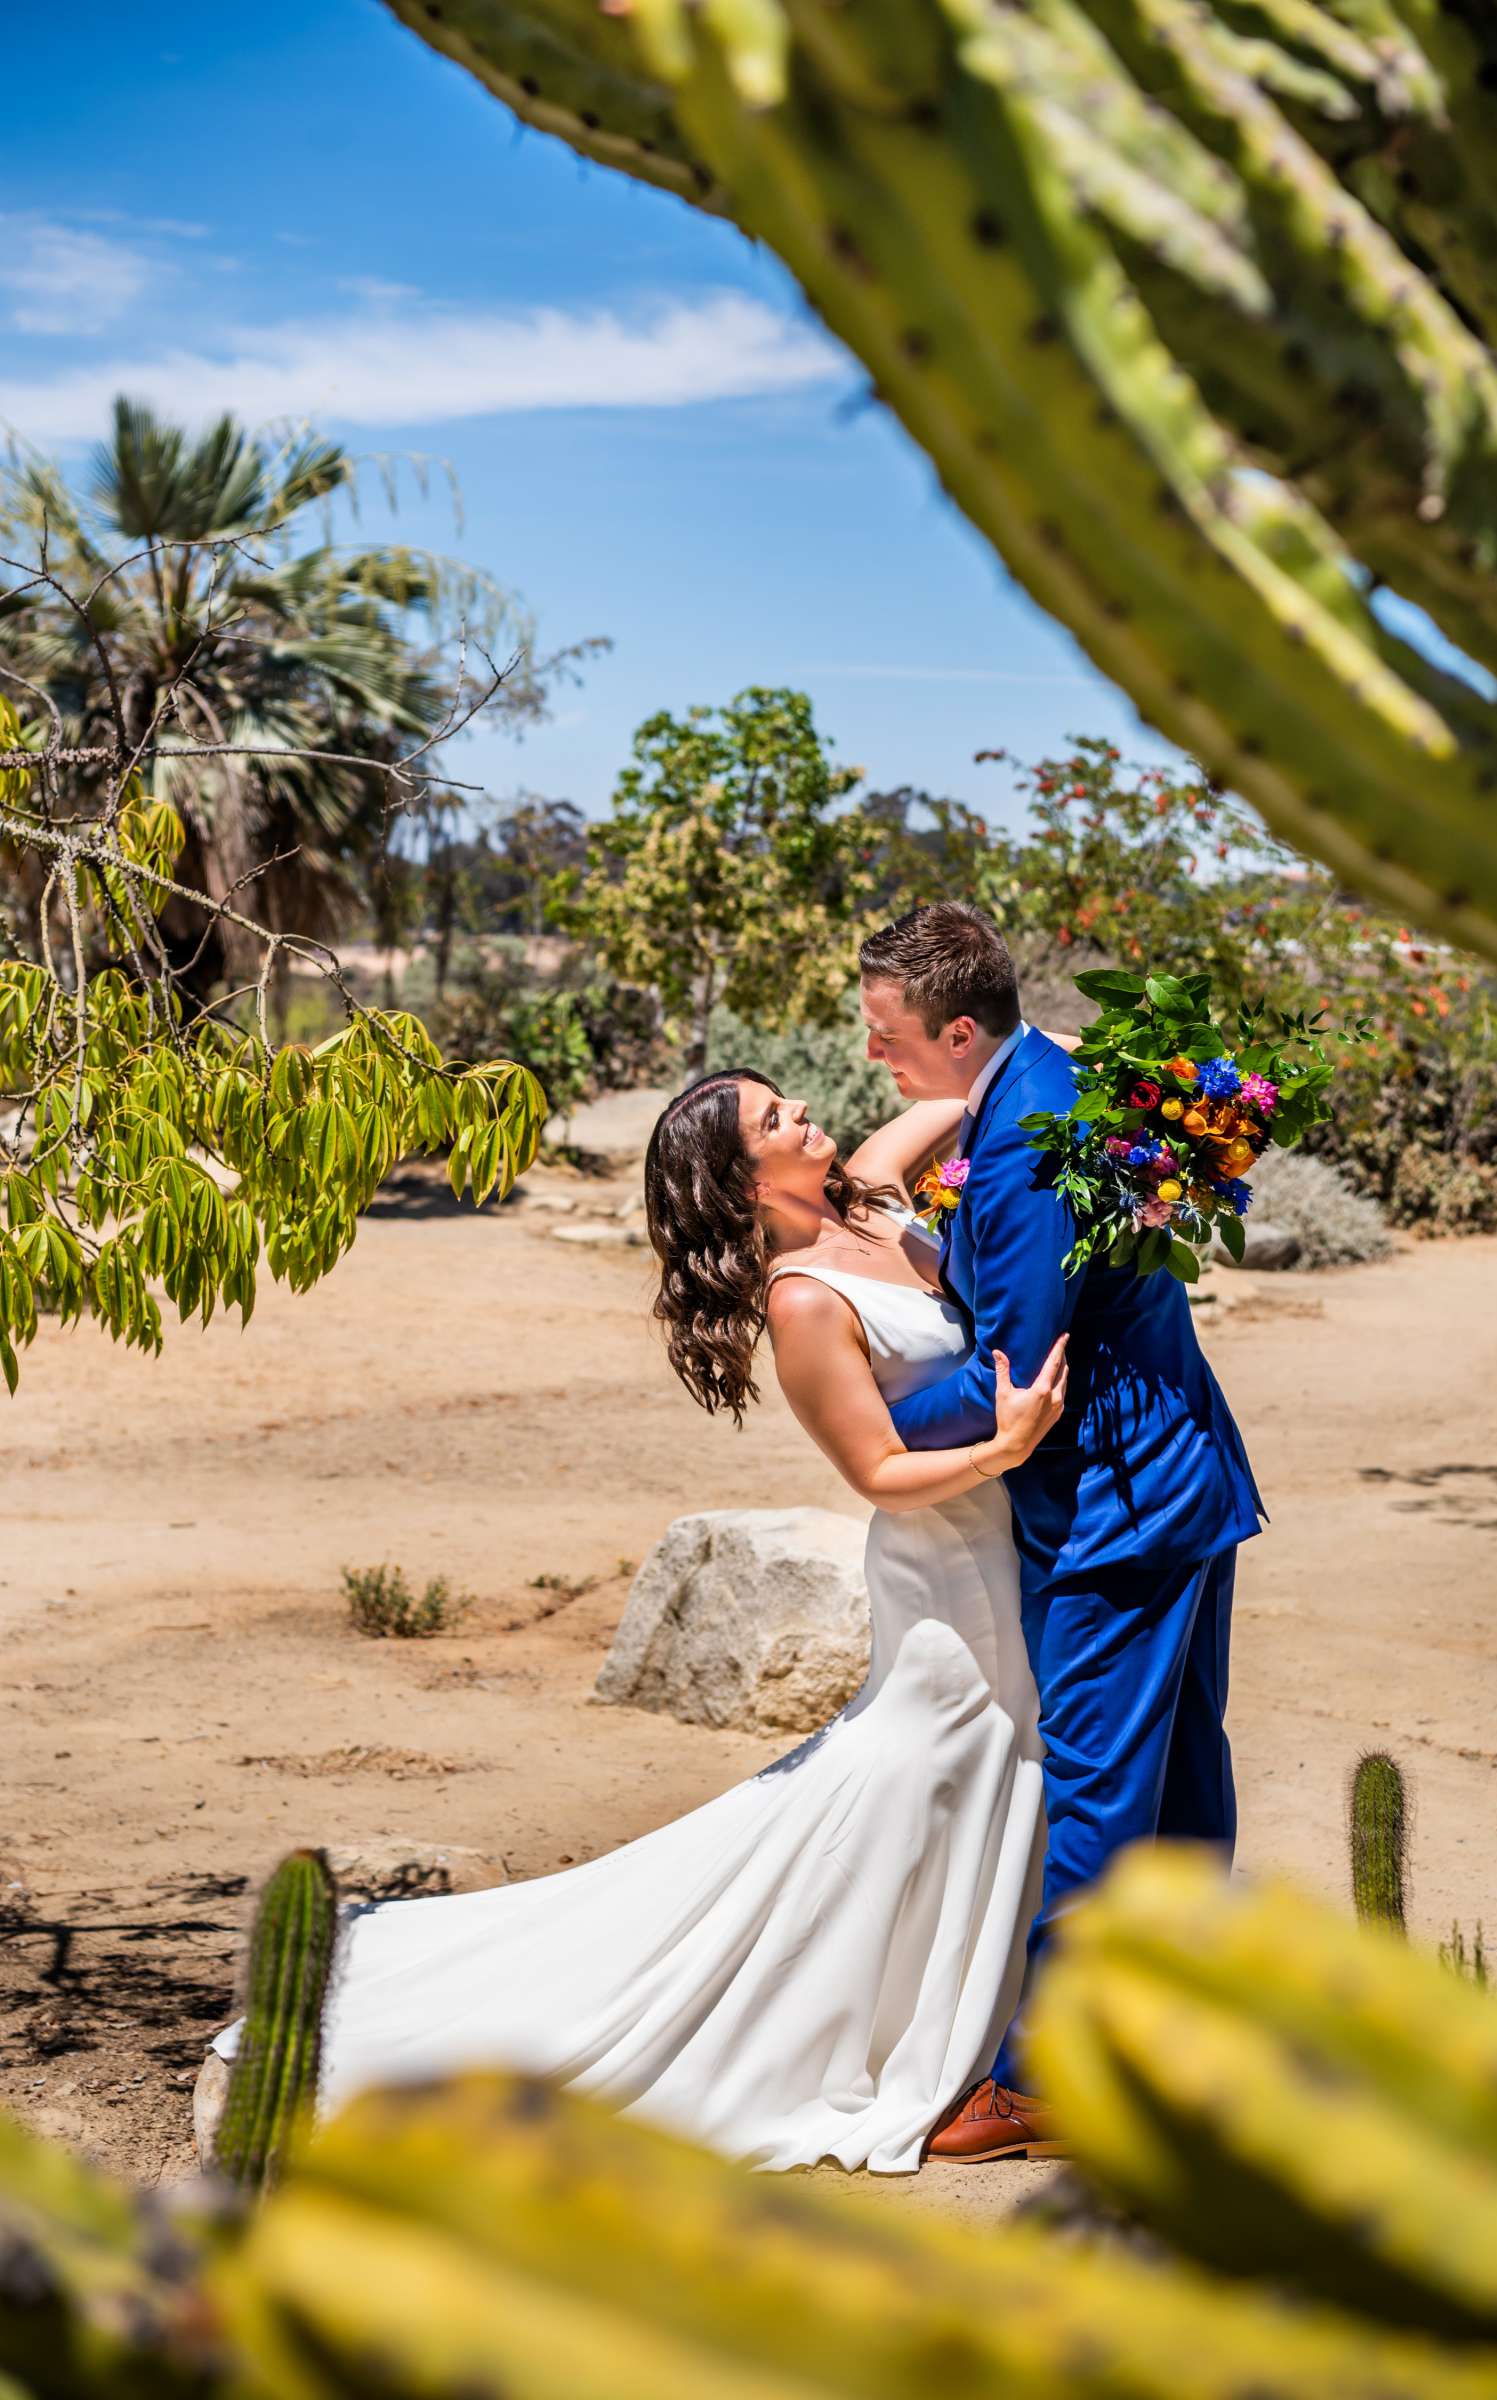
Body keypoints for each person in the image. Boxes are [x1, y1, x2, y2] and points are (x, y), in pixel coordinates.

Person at [210, 1058, 1068, 2173]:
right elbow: (876, 1470)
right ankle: (851, 2023)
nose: (804, 1111)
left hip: (1005, 1543)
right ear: (744, 1181)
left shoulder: (871, 1190)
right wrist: (1005, 1446)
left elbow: (966, 1093)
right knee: (929, 1768)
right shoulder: (804, 1299)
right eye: (776, 1117)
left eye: (788, 1100)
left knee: (987, 1768)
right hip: (942, 1563)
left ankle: (973, 2016)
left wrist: (1119, 1111)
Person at [857, 902, 1263, 2162]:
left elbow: (1016, 1371)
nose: (879, 1061)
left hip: (1117, 1508)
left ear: (957, 1026)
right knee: (1185, 1773)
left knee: (1098, 1784)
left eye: (889, 1037)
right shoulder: (1044, 1077)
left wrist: (870, 1424)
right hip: (1185, 1477)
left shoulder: (1028, 1135)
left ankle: (1048, 2078)